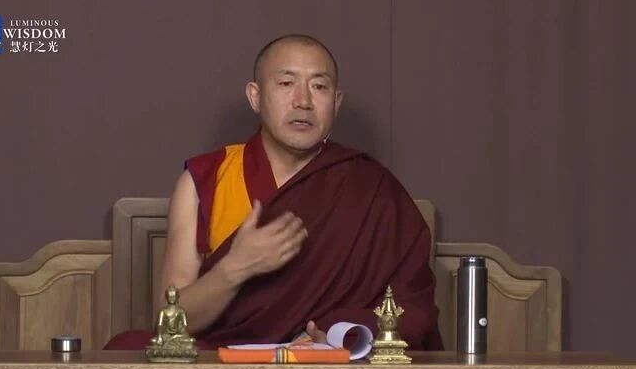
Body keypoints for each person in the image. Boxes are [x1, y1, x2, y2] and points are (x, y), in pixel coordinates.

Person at [104, 34, 443, 350]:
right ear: (255, 96)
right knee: (127, 348)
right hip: (223, 367)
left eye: (319, 86)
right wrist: (236, 267)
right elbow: (169, 323)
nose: (303, 101)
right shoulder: (208, 179)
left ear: (336, 102)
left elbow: (412, 311)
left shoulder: (371, 188)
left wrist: (339, 333)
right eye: (285, 83)